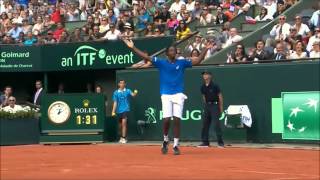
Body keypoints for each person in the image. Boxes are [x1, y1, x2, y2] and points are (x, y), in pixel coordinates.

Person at [122, 38, 213, 155]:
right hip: (165, 94)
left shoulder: (182, 62)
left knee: (177, 120)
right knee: (166, 120)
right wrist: (132, 47)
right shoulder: (161, 62)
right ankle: (165, 139)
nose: (173, 52)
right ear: (167, 53)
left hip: (178, 94)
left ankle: (175, 145)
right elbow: (146, 57)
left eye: (174, 51)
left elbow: (198, 60)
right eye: (170, 51)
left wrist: (206, 49)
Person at [198, 71, 224, 148]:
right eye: (204, 75)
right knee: (205, 124)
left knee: (216, 124)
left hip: (215, 105)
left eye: (206, 74)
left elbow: (220, 96)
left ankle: (220, 142)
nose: (205, 76)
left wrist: (221, 107)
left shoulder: (215, 85)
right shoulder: (202, 87)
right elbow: (204, 97)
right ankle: (205, 142)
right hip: (207, 106)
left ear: (210, 76)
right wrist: (206, 105)